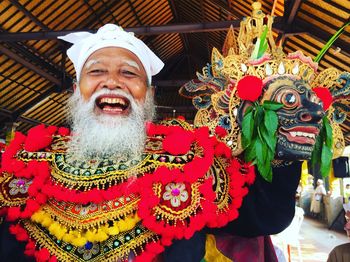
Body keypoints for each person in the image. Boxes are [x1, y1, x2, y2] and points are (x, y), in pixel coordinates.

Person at [0, 2, 347, 261]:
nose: (112, 81)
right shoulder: (23, 163)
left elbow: (264, 215)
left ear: (148, 95)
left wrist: (283, 149)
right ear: (77, 90)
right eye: (97, 71)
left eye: (129, 73)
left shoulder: (190, 161)